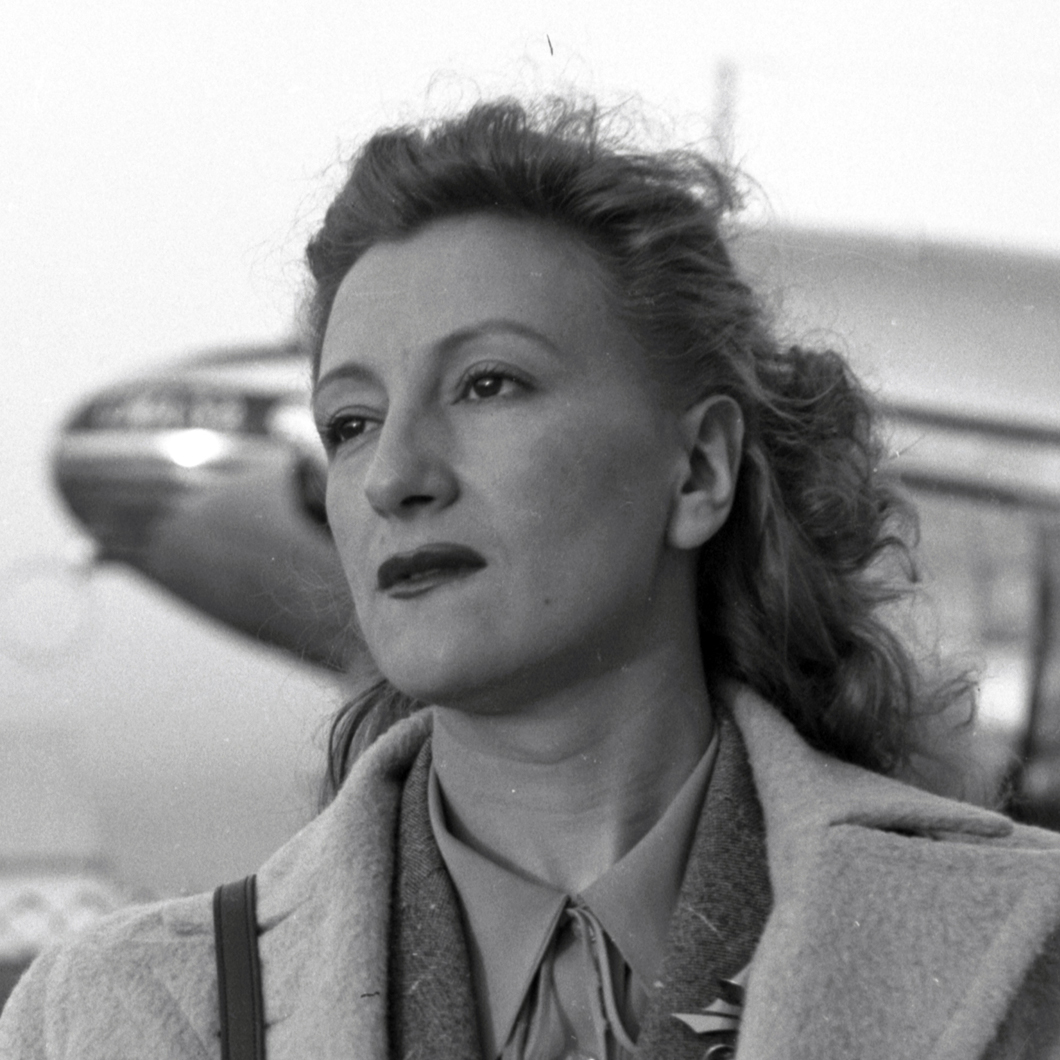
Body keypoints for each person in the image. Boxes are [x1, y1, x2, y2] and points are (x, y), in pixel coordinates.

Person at [3, 96, 1060, 1060]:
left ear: (698, 469)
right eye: (352, 424)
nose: (398, 478)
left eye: (488, 383)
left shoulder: (1026, 955)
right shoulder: (113, 1014)